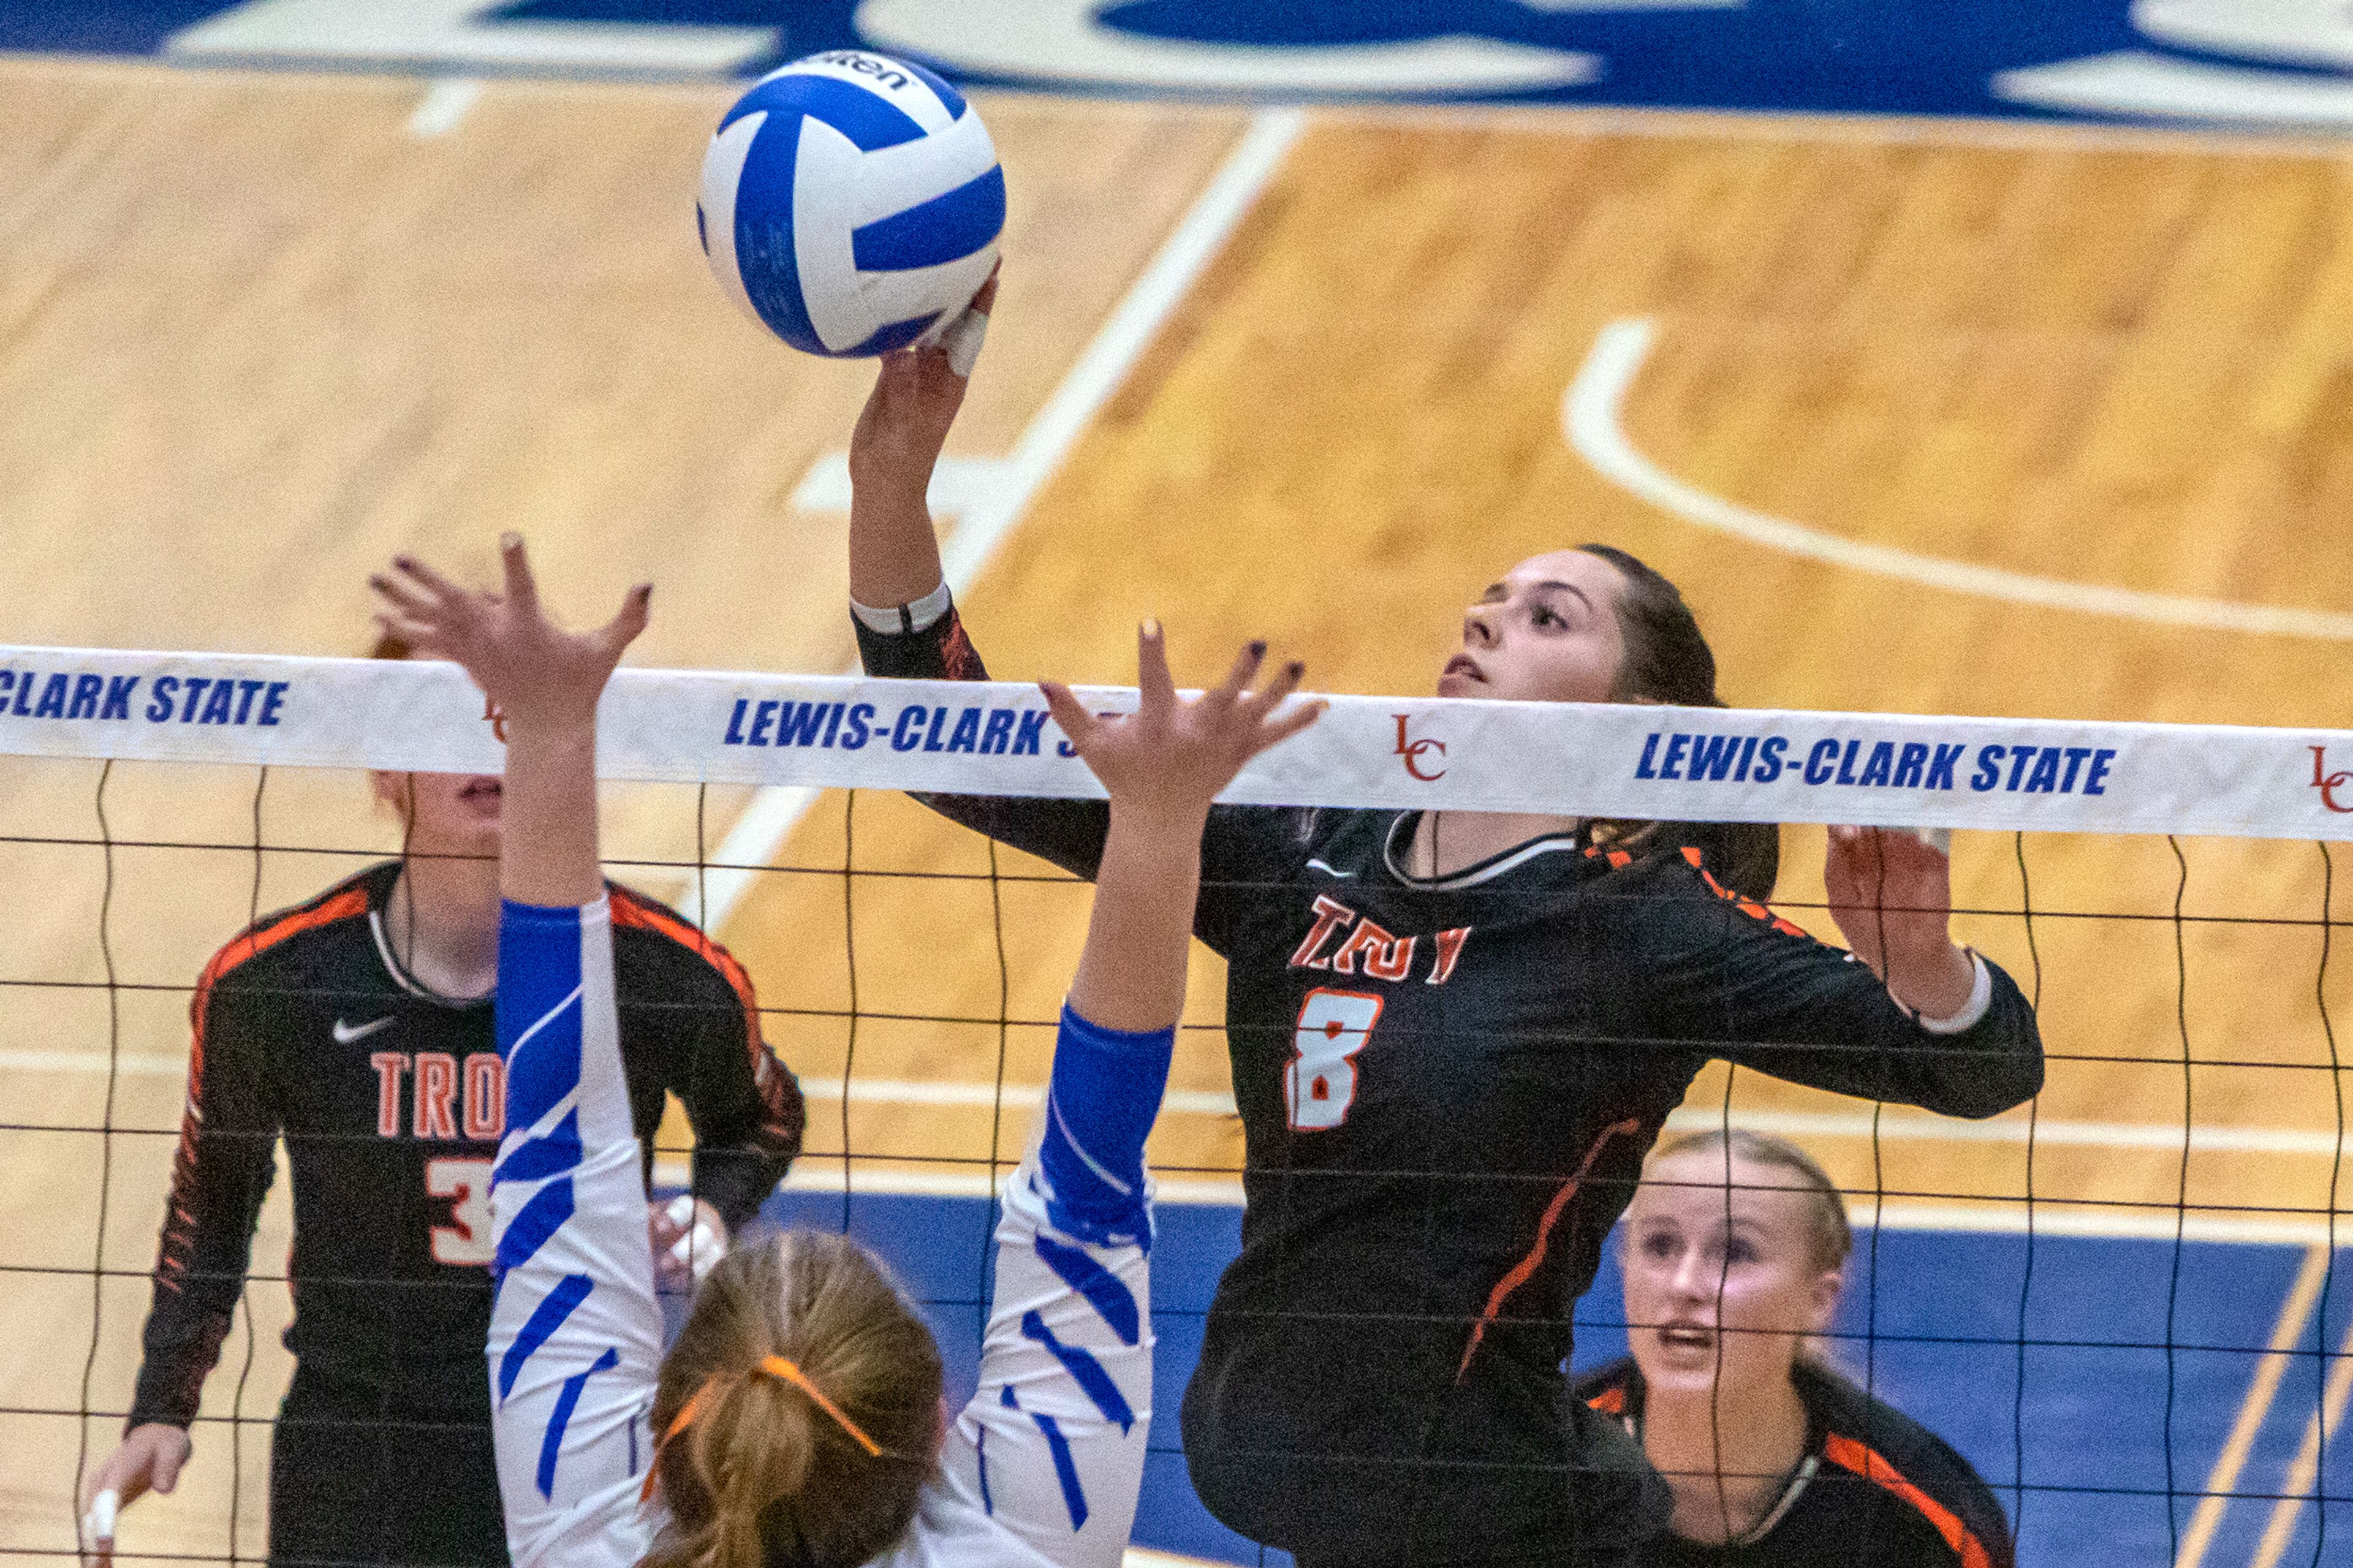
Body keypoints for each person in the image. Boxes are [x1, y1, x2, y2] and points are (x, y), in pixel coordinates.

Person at [838, 311, 2045, 1567]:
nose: (1486, 622)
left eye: (1546, 618)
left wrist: (1924, 972)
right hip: (1279, 1451)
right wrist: (892, 483)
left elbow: (1984, 1069)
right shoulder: (1297, 843)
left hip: (1495, 1498)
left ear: (1635, 717)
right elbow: (947, 741)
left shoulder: (1644, 922)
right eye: (1487, 603)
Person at [367, 536, 1319, 1568]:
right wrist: (1160, 824)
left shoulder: (586, 1536)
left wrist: (546, 735)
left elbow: (559, 1140)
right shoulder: (589, 1522)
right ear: (938, 1429)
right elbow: (562, 1144)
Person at [81, 635, 807, 1568]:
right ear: (385, 763)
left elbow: (766, 1120)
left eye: (512, 713)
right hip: (355, 1442)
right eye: (448, 714)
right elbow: (213, 1204)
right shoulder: (274, 986)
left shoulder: (664, 974)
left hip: (578, 1422)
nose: (489, 739)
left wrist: (714, 1206)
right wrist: (161, 1407)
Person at [1577, 1130, 2014, 1567]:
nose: (1684, 1284)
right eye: (1660, 1245)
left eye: (1736, 1251)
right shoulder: (1543, 1450)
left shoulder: (1927, 1518)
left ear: (1818, 1300)